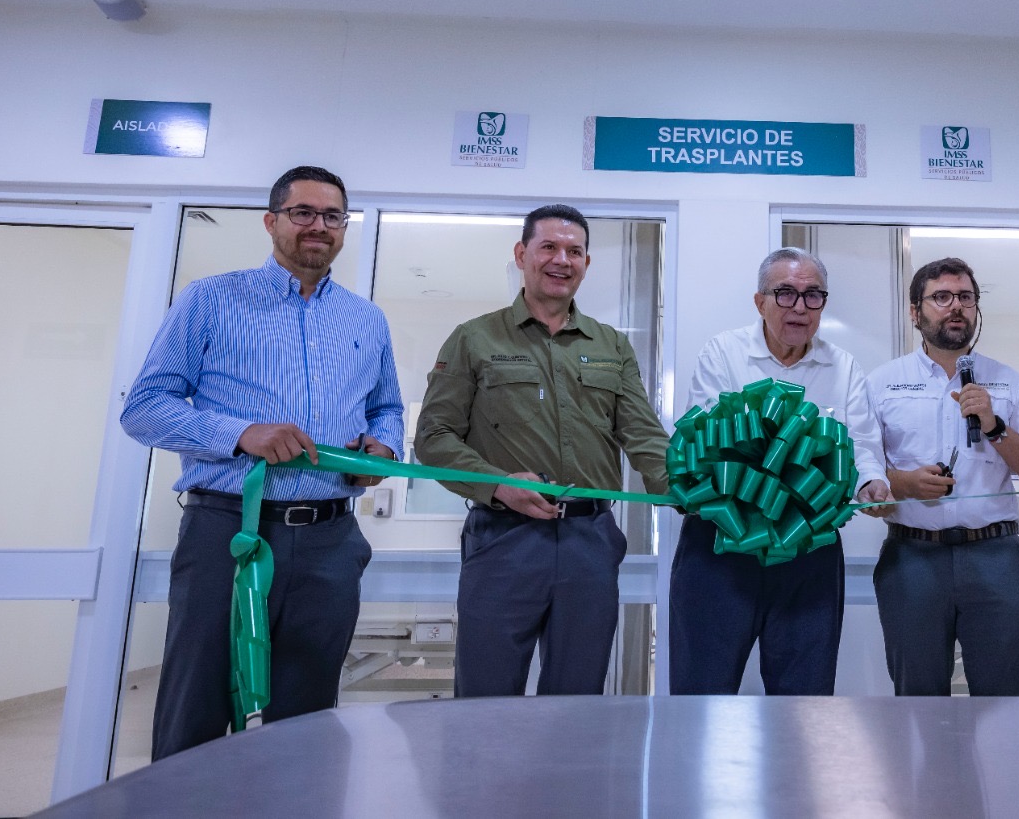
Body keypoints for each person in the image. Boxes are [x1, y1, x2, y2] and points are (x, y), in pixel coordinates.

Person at [121, 165, 403, 759]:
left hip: (330, 541)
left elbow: (386, 410)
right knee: (197, 706)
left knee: (307, 721)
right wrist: (240, 433)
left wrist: (383, 449)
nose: (318, 226)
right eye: (303, 213)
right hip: (229, 533)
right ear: (272, 222)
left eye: (332, 216)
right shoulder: (210, 300)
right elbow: (143, 409)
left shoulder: (366, 320)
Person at [414, 204, 669, 697]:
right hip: (504, 539)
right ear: (521, 254)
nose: (561, 260)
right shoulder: (473, 338)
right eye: (548, 247)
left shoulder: (612, 346)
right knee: (486, 700)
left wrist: (696, 490)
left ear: (587, 263)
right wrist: (498, 485)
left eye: (574, 251)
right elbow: (434, 436)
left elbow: (644, 436)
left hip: (589, 542)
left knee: (577, 698)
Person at [669, 247, 890, 695]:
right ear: (760, 302)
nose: (799, 308)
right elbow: (708, 441)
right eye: (785, 294)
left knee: (805, 700)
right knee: (702, 693)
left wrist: (872, 483)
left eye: (813, 296)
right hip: (721, 547)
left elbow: (863, 445)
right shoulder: (724, 352)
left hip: (809, 549)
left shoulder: (843, 366)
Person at [866, 257, 1019, 695]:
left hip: (997, 558)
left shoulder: (1009, 383)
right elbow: (860, 471)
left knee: (1005, 703)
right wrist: (904, 484)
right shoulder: (882, 383)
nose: (956, 306)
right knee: (918, 701)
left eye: (966, 297)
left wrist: (995, 427)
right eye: (941, 297)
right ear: (915, 312)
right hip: (912, 558)